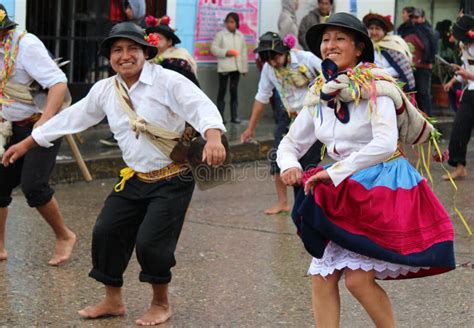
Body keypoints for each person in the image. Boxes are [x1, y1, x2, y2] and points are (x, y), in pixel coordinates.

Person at [2, 22, 226, 325]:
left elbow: (201, 107)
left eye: (132, 48)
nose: (125, 55)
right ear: (110, 57)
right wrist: (28, 142)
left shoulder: (168, 81)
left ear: (145, 52)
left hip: (173, 178)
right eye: (117, 50)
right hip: (134, 177)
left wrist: (213, 137)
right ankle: (113, 301)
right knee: (106, 232)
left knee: (151, 243)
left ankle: (161, 303)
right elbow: (72, 118)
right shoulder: (105, 90)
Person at [277, 13, 455, 327]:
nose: (330, 45)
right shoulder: (320, 91)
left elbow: (385, 143)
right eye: (325, 39)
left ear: (359, 48)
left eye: (339, 39)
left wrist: (333, 173)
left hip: (377, 183)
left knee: (357, 281)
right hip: (339, 185)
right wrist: (290, 165)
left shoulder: (376, 85)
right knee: (322, 278)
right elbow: (290, 142)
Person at [0, 4, 76, 265]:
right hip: (9, 125)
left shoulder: (25, 45)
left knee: (34, 185)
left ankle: (64, 236)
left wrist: (43, 123)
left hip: (40, 124)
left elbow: (57, 83)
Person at [240, 32, 322, 215]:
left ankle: (309, 205)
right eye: (268, 60)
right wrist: (250, 128)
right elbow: (262, 97)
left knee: (308, 162)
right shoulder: (269, 70)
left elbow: (331, 74)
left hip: (312, 115)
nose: (273, 63)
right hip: (287, 116)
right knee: (278, 158)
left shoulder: (305, 59)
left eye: (275, 57)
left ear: (285, 50)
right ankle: (283, 202)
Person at [442, 14, 474, 180]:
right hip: (470, 93)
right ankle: (459, 166)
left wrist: (467, 74)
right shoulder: (465, 46)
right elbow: (466, 66)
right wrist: (454, 79)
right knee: (460, 130)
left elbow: (468, 72)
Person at [211, 12, 248, 124]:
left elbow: (243, 53)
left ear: (236, 23)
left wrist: (244, 68)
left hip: (236, 68)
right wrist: (226, 52)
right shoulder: (220, 35)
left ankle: (234, 116)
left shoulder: (240, 35)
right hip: (224, 68)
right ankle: (220, 117)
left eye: (232, 22)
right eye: (227, 22)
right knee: (222, 92)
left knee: (234, 92)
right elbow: (213, 49)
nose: (229, 24)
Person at [363, 13, 415, 91]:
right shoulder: (369, 45)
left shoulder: (393, 45)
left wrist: (377, 73)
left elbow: (399, 69)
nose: (374, 32)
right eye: (371, 28)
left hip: (392, 86)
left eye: (377, 29)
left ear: (384, 31)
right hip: (371, 84)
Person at [403, 8, 438, 116]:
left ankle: (429, 121)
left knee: (423, 94)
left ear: (423, 18)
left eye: (417, 17)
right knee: (413, 94)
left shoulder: (428, 31)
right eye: (413, 17)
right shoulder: (409, 29)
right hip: (411, 66)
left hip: (424, 67)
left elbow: (427, 47)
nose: (415, 20)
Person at [145, 15, 199, 85]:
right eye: (152, 38)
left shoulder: (177, 61)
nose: (154, 41)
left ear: (169, 42)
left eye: (159, 38)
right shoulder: (149, 57)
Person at [436, 19, 463, 112]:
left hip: (459, 73)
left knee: (457, 93)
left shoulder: (459, 45)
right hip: (447, 71)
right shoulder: (442, 42)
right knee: (451, 92)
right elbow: (440, 55)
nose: (451, 37)